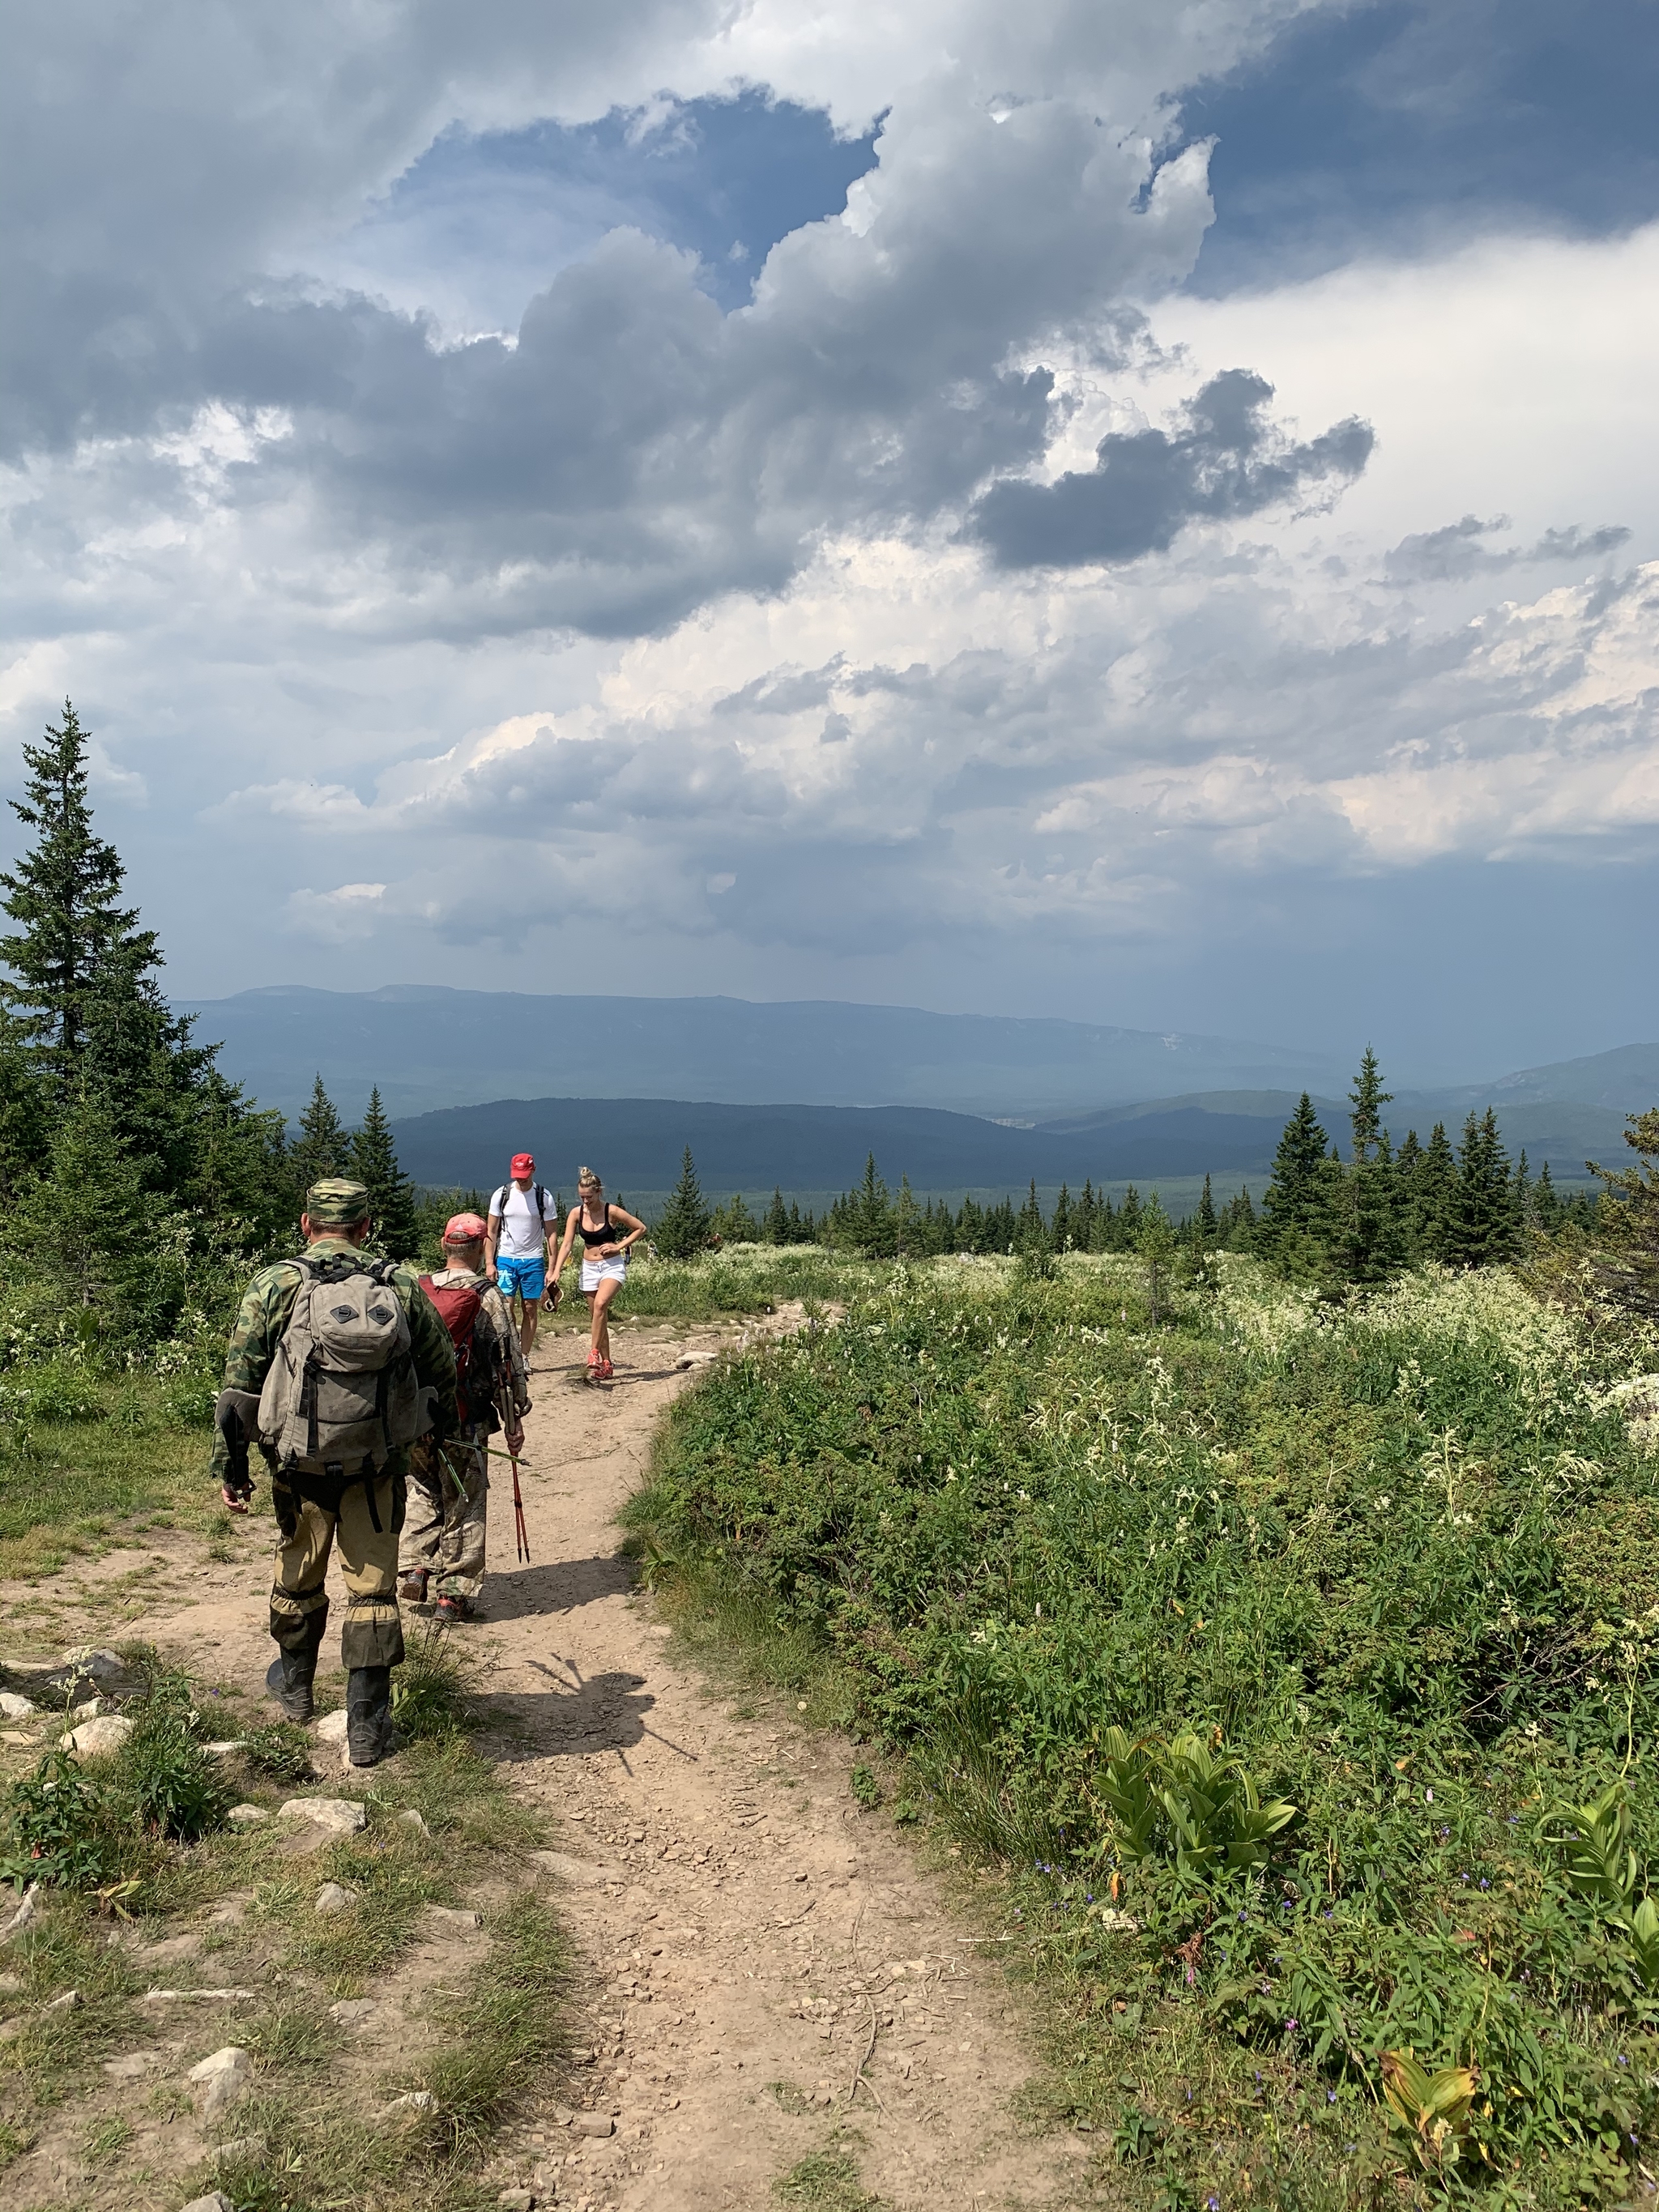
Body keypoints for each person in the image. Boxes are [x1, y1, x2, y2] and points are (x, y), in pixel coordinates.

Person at [211, 1178, 458, 1767]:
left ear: (306, 1225)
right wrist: (426, 1436)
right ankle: (367, 1724)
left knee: (298, 1568)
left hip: (298, 1465)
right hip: (378, 1464)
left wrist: (233, 1467)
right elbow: (440, 1366)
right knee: (372, 1586)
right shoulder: (396, 1282)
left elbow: (239, 1387)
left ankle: (295, 1688)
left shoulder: (276, 1283)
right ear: (365, 1227)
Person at [399, 1211, 531, 1623]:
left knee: (423, 1488)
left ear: (444, 1246)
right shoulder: (487, 1295)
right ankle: (452, 1594)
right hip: (465, 1417)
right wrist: (514, 1418)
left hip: (417, 1415)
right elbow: (505, 1361)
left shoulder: (419, 1288)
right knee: (465, 1499)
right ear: (479, 1248)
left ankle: (415, 1567)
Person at [550, 1166, 646, 1381]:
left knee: (601, 1305)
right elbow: (566, 1244)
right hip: (589, 1267)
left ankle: (593, 1353)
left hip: (611, 1266)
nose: (586, 1201)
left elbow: (640, 1228)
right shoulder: (576, 1213)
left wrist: (618, 1246)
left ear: (598, 1192)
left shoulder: (611, 1211)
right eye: (582, 1197)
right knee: (597, 1317)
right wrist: (556, 1271)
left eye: (589, 1197)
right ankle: (607, 1364)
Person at [485, 1151, 562, 1357]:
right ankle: (510, 1351)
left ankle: (525, 1356)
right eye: (517, 1174)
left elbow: (551, 1233)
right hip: (506, 1259)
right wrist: (489, 1264)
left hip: (533, 1260)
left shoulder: (544, 1198)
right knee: (506, 1305)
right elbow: (491, 1230)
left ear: (533, 1170)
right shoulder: (501, 1195)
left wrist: (553, 1268)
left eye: (525, 1173)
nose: (521, 1178)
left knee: (530, 1307)